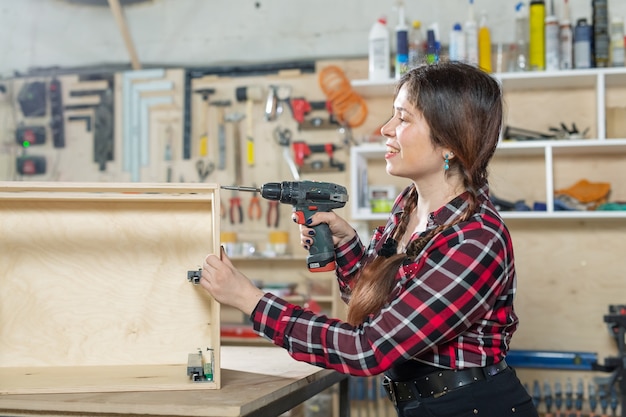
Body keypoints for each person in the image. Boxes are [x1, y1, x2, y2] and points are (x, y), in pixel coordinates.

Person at [200, 61, 539, 417]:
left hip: (474, 408)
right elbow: (377, 310)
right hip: (422, 405)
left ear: (449, 142)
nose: (385, 129)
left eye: (403, 119)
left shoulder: (475, 240)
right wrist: (347, 246)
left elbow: (369, 348)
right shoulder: (408, 206)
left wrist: (250, 300)